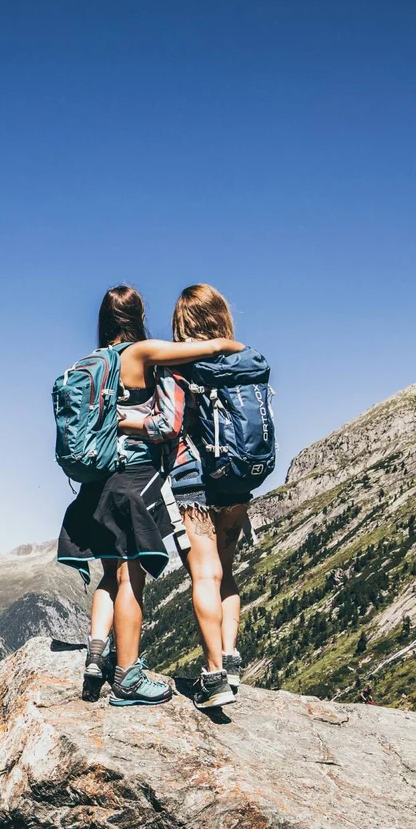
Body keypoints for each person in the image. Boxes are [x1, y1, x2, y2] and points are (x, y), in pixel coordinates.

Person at [58, 285, 241, 706]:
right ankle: (127, 677)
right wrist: (234, 344)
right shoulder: (138, 354)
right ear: (137, 315)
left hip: (96, 481)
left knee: (109, 574)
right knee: (130, 578)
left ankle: (95, 657)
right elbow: (206, 355)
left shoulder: (89, 362)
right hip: (132, 480)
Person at [163, 284, 255, 710]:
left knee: (204, 572)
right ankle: (231, 659)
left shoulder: (179, 365)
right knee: (228, 571)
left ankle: (213, 674)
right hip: (236, 480)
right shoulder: (244, 360)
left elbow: (168, 424)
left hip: (192, 479)